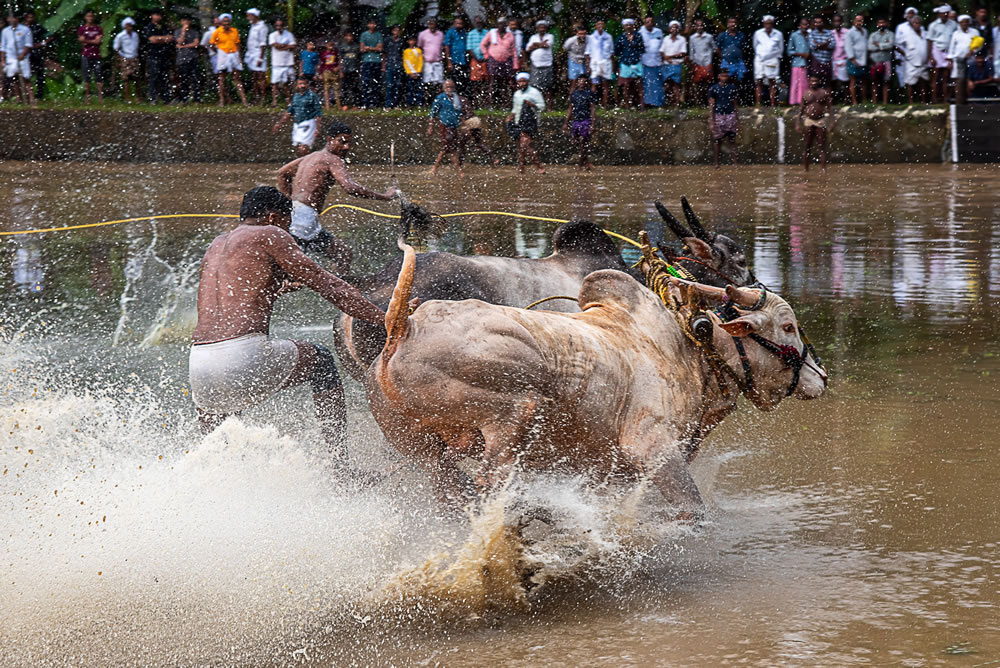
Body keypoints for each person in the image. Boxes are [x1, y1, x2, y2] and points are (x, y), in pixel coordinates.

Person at [189, 185, 386, 460]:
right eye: (287, 223)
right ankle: (342, 469)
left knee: (220, 446)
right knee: (321, 361)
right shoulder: (270, 234)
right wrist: (386, 318)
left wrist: (273, 289)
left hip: (199, 366)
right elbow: (330, 285)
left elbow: (231, 300)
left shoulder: (217, 244)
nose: (289, 232)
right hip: (243, 356)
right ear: (272, 217)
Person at [276, 120, 398, 271]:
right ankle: (335, 290)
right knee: (337, 256)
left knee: (342, 254)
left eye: (349, 143)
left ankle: (331, 287)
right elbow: (350, 187)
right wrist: (385, 196)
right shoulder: (333, 159)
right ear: (329, 139)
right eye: (342, 142)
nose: (347, 147)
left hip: (295, 216)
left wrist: (287, 203)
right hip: (304, 220)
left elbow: (282, 173)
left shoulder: (310, 157)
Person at [273, 75, 323, 156]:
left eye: (304, 84)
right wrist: (279, 124)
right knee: (299, 148)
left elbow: (318, 113)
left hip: (308, 123)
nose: (302, 86)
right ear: (297, 85)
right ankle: (304, 164)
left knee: (303, 148)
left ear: (308, 85)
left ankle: (306, 165)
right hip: (297, 124)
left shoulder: (312, 96)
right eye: (300, 84)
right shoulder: (296, 96)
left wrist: (318, 128)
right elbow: (289, 112)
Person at [506, 71, 545, 173]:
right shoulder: (517, 94)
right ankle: (521, 167)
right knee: (520, 146)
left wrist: (532, 105)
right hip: (518, 122)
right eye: (520, 82)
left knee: (525, 145)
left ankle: (539, 166)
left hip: (530, 122)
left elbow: (542, 106)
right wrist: (510, 117)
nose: (522, 83)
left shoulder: (535, 92)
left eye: (524, 81)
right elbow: (515, 109)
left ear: (527, 81)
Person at [427, 78, 464, 175]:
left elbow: (460, 113)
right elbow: (432, 113)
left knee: (451, 148)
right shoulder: (440, 98)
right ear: (443, 88)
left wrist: (463, 125)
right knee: (448, 148)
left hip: (454, 126)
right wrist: (430, 127)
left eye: (451, 86)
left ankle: (435, 168)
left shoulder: (456, 98)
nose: (449, 88)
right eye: (447, 86)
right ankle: (458, 170)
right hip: (444, 126)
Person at [797, 75, 834, 170]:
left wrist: (832, 122)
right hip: (809, 120)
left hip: (820, 121)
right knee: (807, 146)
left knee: (822, 147)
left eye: (816, 81)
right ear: (809, 82)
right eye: (812, 81)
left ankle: (823, 170)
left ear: (819, 81)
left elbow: (830, 108)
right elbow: (801, 109)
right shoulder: (805, 93)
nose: (814, 82)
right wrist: (797, 123)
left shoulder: (824, 93)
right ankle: (806, 170)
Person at [210, 13, 247, 106]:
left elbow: (238, 44)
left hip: (233, 54)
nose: (226, 23)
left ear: (230, 22)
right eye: (224, 21)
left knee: (237, 78)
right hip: (223, 54)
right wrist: (218, 51)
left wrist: (239, 57)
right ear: (221, 22)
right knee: (221, 78)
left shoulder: (234, 31)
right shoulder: (217, 32)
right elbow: (211, 44)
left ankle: (244, 100)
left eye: (227, 21)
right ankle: (222, 100)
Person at [481, 17, 517, 108]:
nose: (502, 25)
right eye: (500, 23)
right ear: (497, 25)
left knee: (505, 83)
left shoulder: (510, 35)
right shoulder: (492, 33)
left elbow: (514, 51)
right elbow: (483, 44)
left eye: (504, 24)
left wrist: (515, 64)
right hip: (494, 60)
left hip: (506, 61)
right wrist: (486, 55)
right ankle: (490, 105)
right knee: (493, 83)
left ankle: (504, 105)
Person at [563, 73, 596, 170]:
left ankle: (580, 165)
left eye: (584, 81)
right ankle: (586, 162)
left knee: (583, 142)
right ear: (577, 82)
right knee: (575, 142)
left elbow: (593, 109)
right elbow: (570, 109)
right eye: (580, 80)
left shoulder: (589, 93)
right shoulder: (574, 94)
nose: (582, 82)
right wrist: (565, 123)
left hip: (586, 120)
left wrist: (593, 124)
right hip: (576, 121)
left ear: (586, 83)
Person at [708, 68, 739, 168]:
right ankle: (716, 163)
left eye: (726, 76)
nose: (724, 78)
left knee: (732, 139)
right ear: (719, 77)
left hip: (730, 115)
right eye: (722, 76)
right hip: (718, 116)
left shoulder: (732, 88)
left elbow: (735, 104)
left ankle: (735, 163)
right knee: (717, 140)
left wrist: (737, 119)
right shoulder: (714, 88)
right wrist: (711, 120)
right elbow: (711, 105)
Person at [1, 12, 33, 105]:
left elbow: (28, 44)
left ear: (17, 19)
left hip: (23, 58)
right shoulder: (5, 31)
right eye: (9, 18)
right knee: (14, 79)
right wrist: (3, 59)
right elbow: (3, 47)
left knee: (26, 78)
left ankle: (31, 99)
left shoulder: (25, 30)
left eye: (13, 18)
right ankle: (19, 99)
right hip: (10, 58)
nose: (11, 20)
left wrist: (22, 55)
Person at [928, 5, 958, 102]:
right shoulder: (933, 25)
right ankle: (934, 98)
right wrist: (930, 57)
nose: (945, 15)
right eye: (943, 13)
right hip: (937, 50)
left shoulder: (953, 24)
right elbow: (929, 41)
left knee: (946, 76)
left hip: (948, 51)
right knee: (936, 75)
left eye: (947, 13)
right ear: (939, 14)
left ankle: (946, 98)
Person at [143, 9, 172, 104]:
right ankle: (153, 98)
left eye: (159, 15)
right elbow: (152, 40)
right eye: (156, 14)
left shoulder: (164, 27)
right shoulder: (149, 27)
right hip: (153, 55)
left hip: (164, 55)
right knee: (153, 77)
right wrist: (164, 38)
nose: (158, 17)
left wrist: (159, 38)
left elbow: (170, 38)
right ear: (152, 15)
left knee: (164, 77)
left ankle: (166, 98)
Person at [948, 14, 979, 103]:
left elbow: (978, 45)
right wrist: (950, 61)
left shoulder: (974, 32)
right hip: (958, 60)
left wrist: (972, 51)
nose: (965, 24)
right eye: (962, 22)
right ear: (959, 23)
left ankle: (970, 102)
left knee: (970, 80)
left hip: (971, 60)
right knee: (959, 81)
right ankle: (959, 102)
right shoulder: (955, 34)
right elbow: (951, 48)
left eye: (966, 22)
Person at [897, 14, 929, 102]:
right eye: (915, 23)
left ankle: (923, 102)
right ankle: (910, 102)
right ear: (912, 24)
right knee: (910, 83)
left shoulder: (925, 33)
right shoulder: (907, 34)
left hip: (923, 62)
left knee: (923, 82)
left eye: (918, 23)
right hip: (911, 62)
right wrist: (905, 54)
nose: (917, 25)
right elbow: (897, 45)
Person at [752, 15, 782, 107]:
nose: (768, 25)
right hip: (760, 60)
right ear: (763, 24)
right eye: (766, 23)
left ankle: (773, 104)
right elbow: (755, 46)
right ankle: (758, 104)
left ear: (772, 24)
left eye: (770, 23)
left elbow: (780, 49)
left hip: (772, 60)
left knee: (772, 82)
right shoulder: (758, 33)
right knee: (759, 81)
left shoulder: (778, 34)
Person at [22, 11, 52, 101]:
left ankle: (39, 95)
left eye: (32, 17)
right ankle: (26, 96)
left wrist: (42, 43)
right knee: (25, 74)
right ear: (25, 18)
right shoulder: (21, 28)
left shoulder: (38, 28)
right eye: (29, 17)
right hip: (25, 54)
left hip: (37, 53)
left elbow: (50, 35)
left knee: (39, 74)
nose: (31, 19)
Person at [526, 20, 556, 108]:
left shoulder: (550, 36)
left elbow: (547, 45)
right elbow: (528, 49)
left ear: (546, 28)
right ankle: (536, 105)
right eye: (540, 27)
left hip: (547, 64)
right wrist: (540, 44)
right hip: (535, 64)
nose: (542, 29)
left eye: (543, 27)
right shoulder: (533, 37)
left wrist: (535, 45)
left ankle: (549, 107)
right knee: (535, 86)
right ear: (537, 28)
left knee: (548, 87)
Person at [615, 18, 643, 108]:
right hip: (625, 63)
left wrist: (635, 55)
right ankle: (627, 105)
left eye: (630, 25)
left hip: (636, 62)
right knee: (626, 85)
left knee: (639, 84)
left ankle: (641, 105)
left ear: (632, 26)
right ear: (624, 27)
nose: (628, 26)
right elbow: (617, 51)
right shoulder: (621, 37)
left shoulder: (638, 36)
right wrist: (625, 56)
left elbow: (642, 48)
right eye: (626, 25)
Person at [78, 10, 104, 104]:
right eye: (88, 16)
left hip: (96, 55)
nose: (90, 18)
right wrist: (94, 41)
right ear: (85, 17)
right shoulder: (82, 29)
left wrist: (87, 41)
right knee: (87, 77)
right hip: (86, 55)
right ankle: (88, 98)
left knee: (98, 76)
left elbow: (96, 41)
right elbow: (82, 41)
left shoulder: (98, 29)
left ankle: (101, 97)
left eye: (91, 16)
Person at [269, 19, 296, 106]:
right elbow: (275, 45)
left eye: (280, 25)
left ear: (283, 26)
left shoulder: (289, 34)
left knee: (287, 84)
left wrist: (282, 46)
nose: (279, 27)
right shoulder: (272, 35)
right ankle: (274, 101)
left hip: (287, 62)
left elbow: (293, 46)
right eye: (277, 26)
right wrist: (286, 46)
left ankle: (289, 101)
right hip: (276, 62)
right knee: (275, 83)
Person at [587, 19, 614, 107]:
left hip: (606, 63)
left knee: (605, 85)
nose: (600, 26)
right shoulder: (591, 38)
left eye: (602, 24)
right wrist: (588, 66)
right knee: (594, 85)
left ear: (604, 25)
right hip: (595, 63)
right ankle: (592, 105)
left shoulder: (608, 37)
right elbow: (588, 53)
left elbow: (611, 53)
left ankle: (605, 105)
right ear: (595, 26)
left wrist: (612, 66)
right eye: (598, 24)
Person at [868, 18, 895, 104]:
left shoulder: (890, 34)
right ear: (877, 24)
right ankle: (874, 102)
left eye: (883, 22)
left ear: (886, 23)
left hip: (886, 61)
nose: (881, 24)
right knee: (874, 82)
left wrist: (878, 45)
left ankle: (885, 102)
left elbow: (891, 45)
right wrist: (884, 45)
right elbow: (870, 47)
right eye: (880, 23)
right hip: (875, 61)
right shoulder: (873, 35)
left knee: (886, 82)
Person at [174, 16, 201, 103]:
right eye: (184, 20)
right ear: (181, 22)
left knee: (195, 79)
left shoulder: (194, 32)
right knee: (183, 80)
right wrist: (183, 32)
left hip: (193, 58)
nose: (186, 22)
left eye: (187, 20)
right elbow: (179, 41)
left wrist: (183, 46)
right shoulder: (177, 32)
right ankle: (184, 98)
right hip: (182, 59)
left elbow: (196, 44)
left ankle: (197, 99)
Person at [688, 19, 715, 105]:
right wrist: (692, 63)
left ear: (704, 26)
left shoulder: (709, 37)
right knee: (697, 84)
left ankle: (708, 103)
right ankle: (698, 103)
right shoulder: (692, 38)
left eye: (701, 25)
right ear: (695, 27)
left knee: (707, 84)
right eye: (698, 25)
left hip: (707, 63)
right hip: (697, 63)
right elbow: (692, 51)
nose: (699, 27)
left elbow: (714, 48)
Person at [638, 15, 664, 107]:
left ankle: (658, 103)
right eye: (647, 22)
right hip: (646, 62)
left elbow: (662, 46)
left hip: (657, 62)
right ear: (644, 23)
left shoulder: (659, 32)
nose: (649, 24)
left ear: (653, 23)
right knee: (647, 84)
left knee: (657, 84)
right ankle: (648, 103)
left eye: (651, 22)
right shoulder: (640, 33)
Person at [112, 17, 139, 102]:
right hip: (125, 58)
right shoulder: (120, 36)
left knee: (136, 78)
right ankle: (127, 98)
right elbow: (116, 48)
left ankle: (138, 98)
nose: (129, 27)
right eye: (128, 25)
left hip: (134, 57)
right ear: (124, 26)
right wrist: (119, 59)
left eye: (131, 25)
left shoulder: (135, 35)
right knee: (126, 79)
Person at [659, 20, 686, 107]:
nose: (674, 29)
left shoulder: (682, 39)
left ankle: (677, 104)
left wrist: (671, 57)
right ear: (669, 29)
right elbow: (662, 51)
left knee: (676, 85)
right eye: (672, 27)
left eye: (676, 27)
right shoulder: (666, 38)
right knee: (666, 85)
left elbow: (683, 53)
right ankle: (665, 103)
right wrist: (666, 57)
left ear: (678, 29)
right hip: (666, 65)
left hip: (676, 65)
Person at [245, 8, 269, 104]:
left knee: (261, 77)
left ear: (254, 16)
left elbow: (263, 43)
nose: (247, 17)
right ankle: (256, 97)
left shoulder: (262, 26)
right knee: (254, 77)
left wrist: (260, 58)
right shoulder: (252, 26)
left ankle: (263, 98)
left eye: (249, 15)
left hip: (259, 54)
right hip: (251, 55)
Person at [714, 17, 747, 85]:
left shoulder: (741, 35)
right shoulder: (722, 35)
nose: (732, 24)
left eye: (734, 22)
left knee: (738, 81)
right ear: (727, 24)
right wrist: (723, 57)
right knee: (725, 80)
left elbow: (743, 48)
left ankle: (736, 95)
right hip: (726, 61)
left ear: (737, 24)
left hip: (738, 61)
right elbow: (717, 48)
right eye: (730, 22)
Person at [845, 14, 869, 104]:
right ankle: (854, 102)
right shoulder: (850, 32)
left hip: (863, 59)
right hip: (853, 60)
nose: (860, 23)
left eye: (861, 21)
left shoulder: (865, 31)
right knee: (853, 81)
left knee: (863, 81)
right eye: (858, 21)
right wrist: (852, 59)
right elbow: (848, 46)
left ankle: (864, 100)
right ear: (854, 22)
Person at [418, 17, 444, 99]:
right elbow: (420, 47)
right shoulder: (422, 34)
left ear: (436, 24)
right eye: (430, 24)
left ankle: (437, 100)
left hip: (438, 62)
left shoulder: (440, 34)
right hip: (427, 62)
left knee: (438, 83)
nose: (431, 26)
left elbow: (443, 47)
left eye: (433, 24)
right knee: (426, 83)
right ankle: (426, 101)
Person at [787, 18, 811, 105]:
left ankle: (805, 101)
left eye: (806, 24)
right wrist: (801, 54)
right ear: (800, 25)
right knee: (796, 84)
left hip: (808, 63)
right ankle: (794, 102)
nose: (805, 26)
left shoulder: (810, 35)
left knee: (805, 84)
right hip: (797, 63)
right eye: (803, 24)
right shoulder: (794, 35)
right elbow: (789, 51)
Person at [359, 19, 382, 108]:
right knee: (366, 82)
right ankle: (366, 102)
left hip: (376, 61)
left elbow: (380, 49)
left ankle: (376, 102)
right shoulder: (364, 35)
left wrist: (368, 48)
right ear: (368, 24)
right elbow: (362, 49)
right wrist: (374, 48)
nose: (372, 25)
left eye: (373, 23)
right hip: (366, 61)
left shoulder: (378, 35)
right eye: (370, 23)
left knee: (376, 82)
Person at [466, 16, 488, 105]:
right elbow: (469, 48)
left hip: (485, 60)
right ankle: (476, 101)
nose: (479, 24)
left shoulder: (487, 33)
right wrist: (476, 58)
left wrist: (485, 57)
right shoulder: (471, 34)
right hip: (475, 60)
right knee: (475, 81)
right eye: (477, 23)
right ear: (474, 24)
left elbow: (490, 46)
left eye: (480, 22)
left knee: (485, 80)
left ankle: (484, 101)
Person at [895, 7, 918, 90]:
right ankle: (901, 100)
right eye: (909, 13)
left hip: (915, 57)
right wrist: (898, 56)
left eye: (913, 13)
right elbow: (897, 43)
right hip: (902, 56)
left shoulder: (920, 27)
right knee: (901, 75)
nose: (911, 15)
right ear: (906, 15)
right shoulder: (901, 27)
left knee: (914, 77)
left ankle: (913, 99)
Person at [443, 16, 467, 93]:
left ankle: (462, 97)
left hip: (463, 60)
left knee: (463, 80)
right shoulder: (450, 32)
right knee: (454, 80)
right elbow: (447, 47)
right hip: (454, 61)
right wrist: (449, 62)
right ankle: (454, 97)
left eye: (460, 23)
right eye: (457, 23)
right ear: (454, 24)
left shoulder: (464, 32)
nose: (459, 25)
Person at [564, 24, 591, 90]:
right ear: (577, 33)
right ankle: (571, 97)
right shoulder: (570, 41)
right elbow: (565, 49)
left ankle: (585, 97)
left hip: (584, 61)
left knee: (585, 82)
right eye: (580, 34)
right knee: (574, 82)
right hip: (573, 61)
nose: (582, 36)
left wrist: (588, 65)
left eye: (584, 34)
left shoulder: (590, 39)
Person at [808, 16, 834, 82]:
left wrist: (818, 45)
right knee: (815, 82)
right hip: (817, 61)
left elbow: (832, 46)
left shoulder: (829, 32)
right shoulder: (812, 33)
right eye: (817, 22)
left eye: (820, 22)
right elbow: (812, 46)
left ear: (823, 23)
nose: (818, 24)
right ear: (814, 24)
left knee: (828, 82)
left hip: (827, 61)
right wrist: (826, 43)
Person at [339, 32, 360, 109]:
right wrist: (341, 71)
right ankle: (345, 104)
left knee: (355, 87)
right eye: (347, 36)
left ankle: (356, 104)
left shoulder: (356, 46)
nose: (349, 38)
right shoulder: (342, 47)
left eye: (350, 36)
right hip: (345, 70)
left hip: (354, 70)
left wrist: (358, 70)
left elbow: (359, 59)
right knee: (344, 87)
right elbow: (340, 59)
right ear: (345, 37)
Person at [830, 14, 849, 98]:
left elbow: (850, 46)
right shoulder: (831, 33)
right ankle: (833, 100)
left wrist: (847, 58)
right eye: (835, 21)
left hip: (844, 59)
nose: (837, 23)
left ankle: (846, 99)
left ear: (841, 22)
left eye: (838, 21)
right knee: (833, 81)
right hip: (833, 60)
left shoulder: (847, 32)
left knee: (845, 82)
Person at [319, 40, 340, 109]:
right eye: (329, 45)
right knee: (326, 89)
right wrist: (321, 73)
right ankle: (327, 105)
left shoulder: (335, 53)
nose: (331, 47)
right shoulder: (323, 54)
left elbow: (338, 62)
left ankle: (338, 105)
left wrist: (338, 68)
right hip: (326, 72)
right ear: (326, 46)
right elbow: (322, 64)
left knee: (336, 88)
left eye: (332, 45)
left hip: (334, 72)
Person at [402, 35, 423, 106]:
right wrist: (409, 72)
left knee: (419, 88)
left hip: (418, 72)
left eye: (413, 40)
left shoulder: (418, 51)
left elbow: (420, 61)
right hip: (410, 73)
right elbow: (405, 62)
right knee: (410, 89)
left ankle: (419, 103)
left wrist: (418, 71)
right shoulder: (406, 51)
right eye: (410, 40)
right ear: (408, 42)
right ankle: (410, 103)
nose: (412, 42)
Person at [201, 15, 221, 85]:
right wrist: (211, 49)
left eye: (219, 22)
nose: (217, 24)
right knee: (219, 75)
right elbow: (203, 45)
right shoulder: (209, 33)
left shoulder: (226, 32)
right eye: (216, 22)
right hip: (215, 56)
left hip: (226, 55)